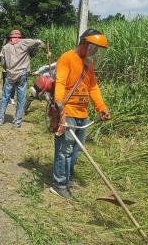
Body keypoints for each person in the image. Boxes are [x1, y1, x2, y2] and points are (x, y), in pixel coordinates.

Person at [50, 29, 111, 200]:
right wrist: (59, 103)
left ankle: (67, 178)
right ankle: (59, 184)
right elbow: (61, 81)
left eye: (98, 49)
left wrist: (102, 108)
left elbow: (93, 88)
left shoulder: (88, 64)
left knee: (76, 150)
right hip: (67, 111)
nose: (95, 51)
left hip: (82, 114)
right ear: (84, 42)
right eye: (94, 47)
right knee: (64, 150)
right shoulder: (67, 58)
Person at [0, 30, 49, 127]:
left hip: (10, 74)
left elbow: (3, 63)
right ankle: (17, 122)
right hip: (22, 74)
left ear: (10, 37)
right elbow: (39, 42)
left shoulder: (5, 47)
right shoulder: (24, 42)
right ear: (19, 37)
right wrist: (47, 51)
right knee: (21, 99)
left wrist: (9, 68)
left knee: (5, 97)